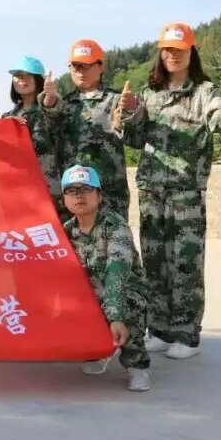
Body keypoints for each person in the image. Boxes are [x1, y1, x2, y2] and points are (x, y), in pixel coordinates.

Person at [118, 23, 221, 360]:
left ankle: (187, 334)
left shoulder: (205, 92)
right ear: (161, 54)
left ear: (191, 52)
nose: (173, 55)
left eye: (180, 50)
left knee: (185, 264)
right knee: (154, 263)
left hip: (185, 193)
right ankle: (159, 329)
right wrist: (129, 111)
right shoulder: (149, 93)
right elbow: (133, 139)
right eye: (168, 50)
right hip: (152, 192)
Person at [61, 165, 151, 392]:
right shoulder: (65, 232)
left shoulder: (116, 227)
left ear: (99, 195)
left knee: (127, 307)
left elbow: (116, 273)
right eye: (71, 191)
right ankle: (98, 352)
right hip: (90, 296)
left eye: (86, 189)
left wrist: (115, 317)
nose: (79, 196)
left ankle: (137, 365)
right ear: (64, 199)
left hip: (122, 293)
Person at [42, 40, 130, 219]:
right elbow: (49, 132)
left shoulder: (116, 100)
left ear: (101, 66)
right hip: (73, 193)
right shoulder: (64, 103)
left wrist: (130, 114)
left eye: (86, 65)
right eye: (75, 66)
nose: (80, 71)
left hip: (108, 193)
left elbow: (134, 135)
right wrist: (49, 102)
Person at [2, 56, 63, 212]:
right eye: (18, 75)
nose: (23, 80)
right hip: (18, 191)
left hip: (50, 191)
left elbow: (53, 111)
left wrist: (50, 97)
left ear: (38, 79)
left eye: (29, 75)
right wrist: (5, 128)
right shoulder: (7, 116)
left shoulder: (49, 109)